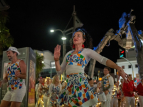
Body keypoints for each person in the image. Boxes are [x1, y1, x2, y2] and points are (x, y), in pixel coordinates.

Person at [54, 28, 127, 107]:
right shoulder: (68, 54)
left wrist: (118, 67)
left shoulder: (87, 51)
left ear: (84, 40)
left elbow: (102, 60)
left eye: (78, 36)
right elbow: (59, 71)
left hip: (80, 82)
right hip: (69, 83)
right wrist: (56, 60)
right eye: (74, 36)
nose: (75, 37)